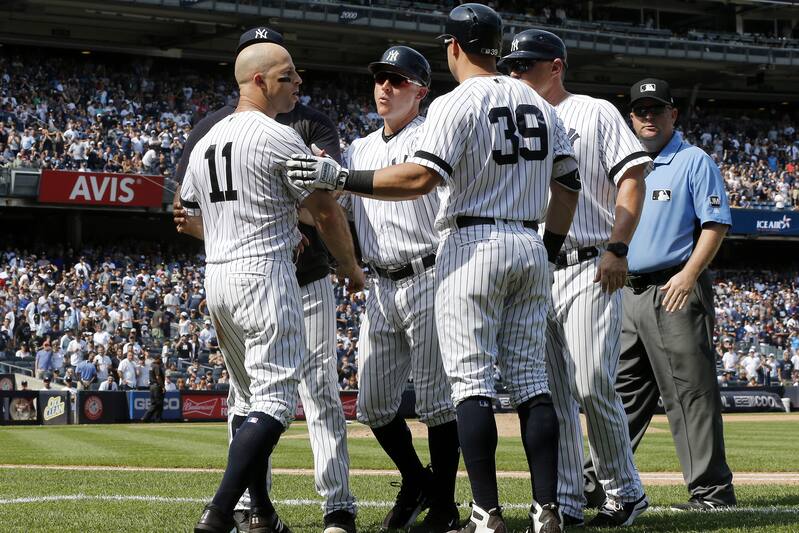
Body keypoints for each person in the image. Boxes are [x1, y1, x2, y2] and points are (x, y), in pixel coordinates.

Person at [287, 5, 580, 532]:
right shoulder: (538, 103)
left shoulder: (454, 102)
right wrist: (551, 249)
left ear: (452, 48)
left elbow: (421, 179)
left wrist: (342, 178)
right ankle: (546, 510)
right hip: (528, 242)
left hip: (469, 241)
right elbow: (569, 186)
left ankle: (485, 513)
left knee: (468, 387)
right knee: (533, 383)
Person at [179, 33, 363, 533]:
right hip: (265, 273)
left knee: (247, 398)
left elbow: (190, 214)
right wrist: (349, 267)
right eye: (287, 75)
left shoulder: (206, 142)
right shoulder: (278, 135)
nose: (298, 82)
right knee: (277, 401)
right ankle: (218, 512)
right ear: (258, 81)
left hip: (217, 278)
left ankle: (258, 513)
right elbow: (326, 210)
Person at [501, 29, 649, 528]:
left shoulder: (595, 111)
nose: (515, 73)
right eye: (511, 66)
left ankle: (624, 490)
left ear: (556, 66)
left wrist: (617, 247)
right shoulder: (514, 121)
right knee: (552, 393)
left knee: (591, 382)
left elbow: (632, 179)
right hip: (535, 266)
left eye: (525, 65)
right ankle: (565, 498)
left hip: (590, 261)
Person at [585, 78, 737, 512]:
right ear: (630, 117)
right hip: (624, 290)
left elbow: (716, 224)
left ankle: (711, 493)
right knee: (616, 394)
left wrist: (689, 275)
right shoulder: (623, 164)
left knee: (690, 393)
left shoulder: (693, 160)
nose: (648, 117)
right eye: (640, 111)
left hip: (674, 287)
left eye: (657, 110)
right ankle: (592, 484)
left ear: (674, 114)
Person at [339, 46, 460, 533]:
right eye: (380, 79)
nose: (385, 87)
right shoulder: (359, 147)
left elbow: (416, 182)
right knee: (372, 403)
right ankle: (418, 482)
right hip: (379, 285)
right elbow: (341, 213)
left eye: (398, 80)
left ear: (421, 90)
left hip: (429, 274)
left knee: (436, 403)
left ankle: (444, 506)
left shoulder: (433, 136)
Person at [142, 355, 166, 422]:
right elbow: (158, 377)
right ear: (157, 359)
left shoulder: (151, 365)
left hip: (152, 386)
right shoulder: (156, 366)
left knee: (155, 403)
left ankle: (156, 419)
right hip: (156, 386)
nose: (160, 361)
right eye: (160, 359)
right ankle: (146, 417)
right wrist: (163, 386)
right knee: (157, 403)